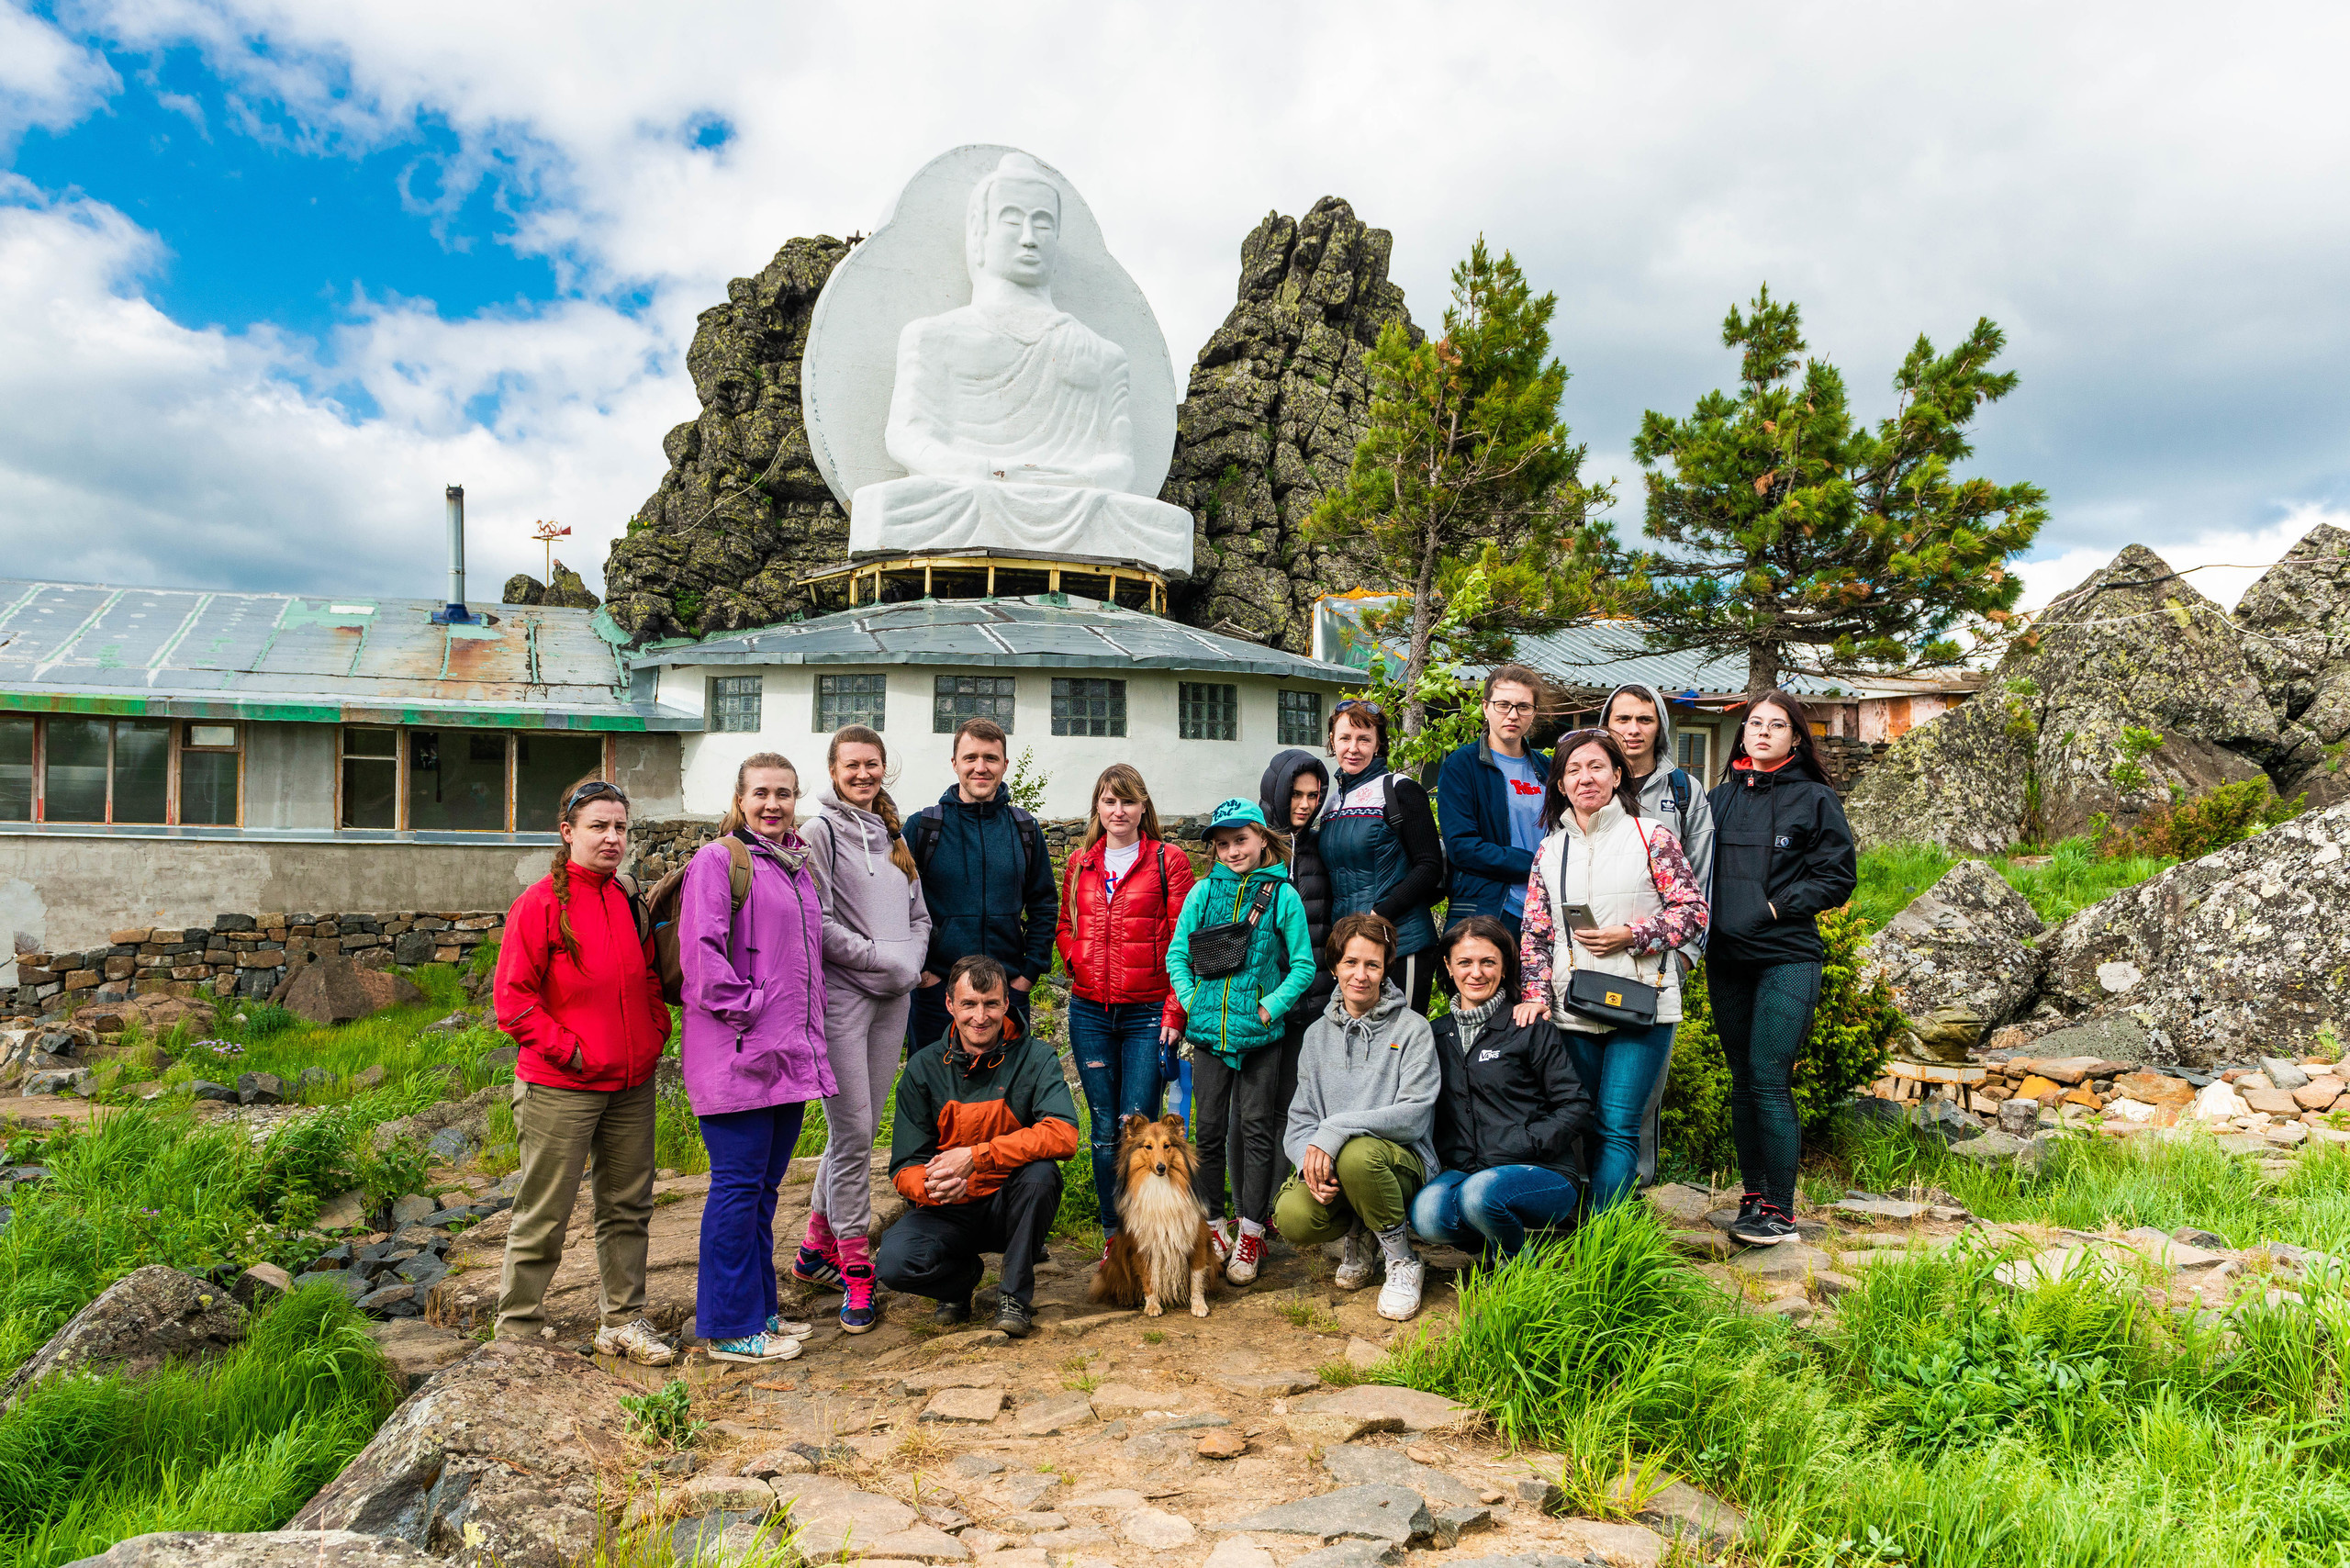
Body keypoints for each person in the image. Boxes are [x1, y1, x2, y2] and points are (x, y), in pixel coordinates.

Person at [492, 777, 674, 1364]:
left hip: (630, 1084)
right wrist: (570, 1051)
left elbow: (647, 977)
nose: (612, 838)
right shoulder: (540, 903)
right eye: (599, 826)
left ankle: (621, 1321)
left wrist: (652, 1036)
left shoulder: (625, 900)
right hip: (559, 1086)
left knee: (628, 1207)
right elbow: (513, 1001)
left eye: (620, 827)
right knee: (544, 1211)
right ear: (567, 832)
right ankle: (517, 1334)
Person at [1515, 730, 1709, 1215]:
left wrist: (1634, 934)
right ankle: (1582, 1229)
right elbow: (1536, 935)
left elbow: (1693, 911)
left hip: (1642, 1002)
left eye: (1597, 767)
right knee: (1583, 1123)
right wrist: (1537, 994)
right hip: (1573, 1006)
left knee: (1619, 1126)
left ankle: (1605, 1246)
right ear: (1559, 783)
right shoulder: (1551, 850)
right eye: (1573, 769)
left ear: (1618, 774)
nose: (1586, 778)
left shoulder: (1652, 837)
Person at [679, 753, 834, 1362]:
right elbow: (702, 956)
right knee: (738, 1190)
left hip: (787, 1056)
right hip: (739, 1054)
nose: (774, 804)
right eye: (762, 793)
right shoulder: (720, 860)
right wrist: (751, 1005)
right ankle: (726, 1327)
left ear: (797, 800)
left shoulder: (795, 867)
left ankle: (759, 1313)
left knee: (764, 1192)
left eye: (785, 794)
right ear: (740, 799)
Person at [793, 725, 932, 1332]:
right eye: (852, 765)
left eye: (872, 765)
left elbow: (919, 914)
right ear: (833, 768)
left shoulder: (891, 833)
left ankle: (813, 1249)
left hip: (893, 1002)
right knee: (851, 1137)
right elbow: (817, 923)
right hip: (846, 1000)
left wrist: (912, 960)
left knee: (859, 1132)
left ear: (884, 770)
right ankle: (855, 1271)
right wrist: (884, 960)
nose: (863, 774)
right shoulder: (818, 832)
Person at [1707, 689, 1857, 1248]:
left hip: (1786, 956)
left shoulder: (1815, 799)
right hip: (1726, 959)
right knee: (1743, 1081)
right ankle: (1754, 1195)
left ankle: (1780, 1210)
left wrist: (1774, 907)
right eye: (1754, 724)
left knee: (1769, 1079)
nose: (1763, 732)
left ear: (1796, 737)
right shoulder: (1717, 800)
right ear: (1743, 734)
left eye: (1776, 725)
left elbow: (1837, 876)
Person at [878, 955, 1080, 1338]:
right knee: (893, 1263)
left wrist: (976, 1156)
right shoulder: (923, 1068)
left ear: (1007, 1003)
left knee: (1042, 1175)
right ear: (950, 1005)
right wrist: (933, 1187)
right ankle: (960, 1282)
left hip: (1009, 1204)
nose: (980, 1016)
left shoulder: (1035, 1057)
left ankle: (1014, 1296)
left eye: (990, 1003)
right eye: (969, 1004)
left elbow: (1064, 1134)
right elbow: (904, 1165)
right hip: (949, 1209)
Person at [1166, 798, 1318, 1285]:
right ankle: (1213, 1226)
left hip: (1262, 1037)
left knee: (1255, 1130)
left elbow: (1303, 965)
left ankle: (1251, 1230)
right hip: (1210, 1036)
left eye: (1241, 840)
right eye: (1224, 843)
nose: (1233, 850)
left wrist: (1269, 1007)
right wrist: (1193, 1002)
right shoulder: (1202, 894)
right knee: (1207, 1131)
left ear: (1261, 839)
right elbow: (1178, 956)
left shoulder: (1282, 896)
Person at [1056, 763, 1194, 1260]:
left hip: (1147, 1012)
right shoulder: (1081, 864)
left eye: (1128, 801)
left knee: (1136, 1126)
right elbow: (1064, 924)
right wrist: (1077, 958)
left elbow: (1186, 942)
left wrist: (1175, 1013)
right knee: (1102, 1127)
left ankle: (1147, 1231)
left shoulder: (1167, 860)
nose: (1118, 811)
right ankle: (1117, 1238)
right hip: (1090, 1011)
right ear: (1098, 806)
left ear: (1142, 807)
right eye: (1109, 801)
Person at [1274, 912, 1441, 1321]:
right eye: (1351, 962)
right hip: (1341, 1168)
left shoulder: (1414, 1028)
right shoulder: (1316, 1036)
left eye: (1372, 964)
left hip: (1400, 1165)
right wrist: (1311, 1165)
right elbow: (1301, 1120)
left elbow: (1414, 1116)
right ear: (1334, 967)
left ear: (1386, 970)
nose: (1361, 975)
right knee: (1292, 1217)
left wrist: (1333, 1131)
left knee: (1357, 1154)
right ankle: (1359, 1236)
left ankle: (1402, 1259)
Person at [1411, 915, 1593, 1260]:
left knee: (1480, 1195)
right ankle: (1508, 1251)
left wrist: (1525, 1142)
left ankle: (1514, 1270)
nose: (1475, 973)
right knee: (1427, 1216)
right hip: (1465, 1170)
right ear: (1449, 967)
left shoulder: (1527, 1026)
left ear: (1505, 967)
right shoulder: (1432, 1035)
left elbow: (1576, 1106)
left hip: (1542, 1170)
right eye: (1464, 962)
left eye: (1487, 962)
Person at [1601, 682, 1718, 1191]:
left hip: (1659, 959)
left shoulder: (1683, 792)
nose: (1632, 730)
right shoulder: (1590, 777)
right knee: (1585, 1076)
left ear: (1660, 727)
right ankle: (1587, 1186)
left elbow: (1703, 873)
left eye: (1643, 720)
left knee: (1642, 1085)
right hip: (1592, 951)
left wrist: (1686, 956)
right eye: (1621, 719)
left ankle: (1636, 1188)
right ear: (1607, 724)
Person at [908, 718, 1056, 1049]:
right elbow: (897, 906)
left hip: (1006, 997)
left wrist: (1027, 977)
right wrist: (923, 977)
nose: (980, 767)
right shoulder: (923, 828)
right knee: (934, 1096)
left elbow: (1044, 904)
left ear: (1004, 764)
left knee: (1007, 1096)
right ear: (954, 763)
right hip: (938, 996)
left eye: (990, 758)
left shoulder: (1024, 830)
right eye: (970, 757)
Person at [1318, 700, 1447, 1014]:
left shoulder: (1399, 790)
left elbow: (1429, 866)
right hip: (1352, 948)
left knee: (1404, 1040)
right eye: (1345, 738)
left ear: (1378, 745)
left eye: (1364, 739)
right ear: (1332, 741)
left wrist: (1379, 915)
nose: (1353, 748)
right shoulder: (1331, 802)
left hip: (1403, 943)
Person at [1436, 665, 1553, 941]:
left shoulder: (1547, 769)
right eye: (1503, 705)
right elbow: (1462, 847)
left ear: (1533, 713)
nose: (1513, 715)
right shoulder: (1462, 766)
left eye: (1524, 707)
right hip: (1489, 910)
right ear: (1486, 707)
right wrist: (1535, 863)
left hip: (1544, 909)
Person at [1258, 749, 1333, 1177]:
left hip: (1312, 998)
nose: (1305, 804)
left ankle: (1285, 1200)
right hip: (1265, 1002)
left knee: (1296, 1104)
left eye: (1314, 795)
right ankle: (1252, 1205)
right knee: (1255, 1111)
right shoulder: (1253, 848)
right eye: (1296, 794)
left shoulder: (1321, 849)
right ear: (1277, 792)